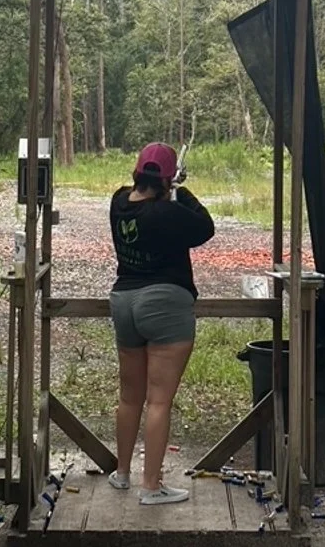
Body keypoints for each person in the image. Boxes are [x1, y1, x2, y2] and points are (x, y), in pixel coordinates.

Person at [107, 142, 214, 505]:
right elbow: (205, 227)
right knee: (158, 401)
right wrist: (182, 191)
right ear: (168, 179)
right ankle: (151, 486)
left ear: (137, 171)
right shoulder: (168, 212)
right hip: (165, 303)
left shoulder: (118, 201)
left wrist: (169, 188)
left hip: (124, 300)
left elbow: (147, 202)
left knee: (129, 397)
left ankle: (122, 473)